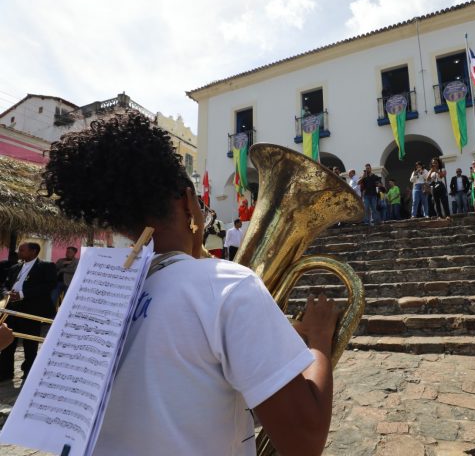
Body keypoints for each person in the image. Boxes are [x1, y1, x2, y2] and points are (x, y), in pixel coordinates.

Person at [42, 111, 339, 456]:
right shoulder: (228, 285)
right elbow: (304, 443)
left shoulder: (94, 297)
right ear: (187, 202)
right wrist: (319, 340)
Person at [0, 242, 57, 381]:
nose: (18, 252)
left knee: (30, 345)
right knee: (8, 341)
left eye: (22, 250)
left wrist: (23, 294)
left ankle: (28, 374)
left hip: (32, 310)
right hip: (11, 309)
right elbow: (4, 284)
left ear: (33, 252)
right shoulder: (15, 267)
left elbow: (49, 285)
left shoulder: (46, 266)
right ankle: (6, 373)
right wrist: (6, 293)